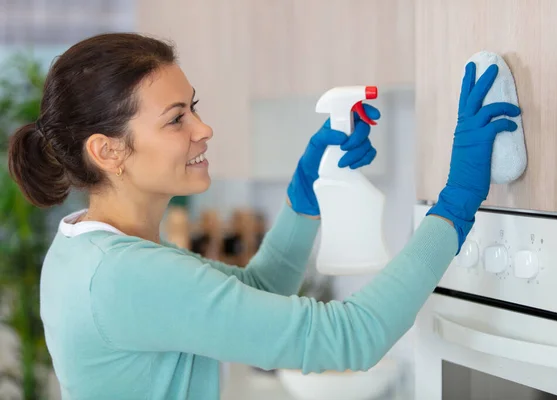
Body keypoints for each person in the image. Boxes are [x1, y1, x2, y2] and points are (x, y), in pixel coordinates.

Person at [7, 32, 520, 400]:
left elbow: (259, 288)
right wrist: (455, 205)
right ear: (108, 151)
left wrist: (304, 194)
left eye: (194, 107)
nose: (204, 128)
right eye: (176, 119)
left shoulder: (87, 251)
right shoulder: (124, 276)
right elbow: (353, 336)